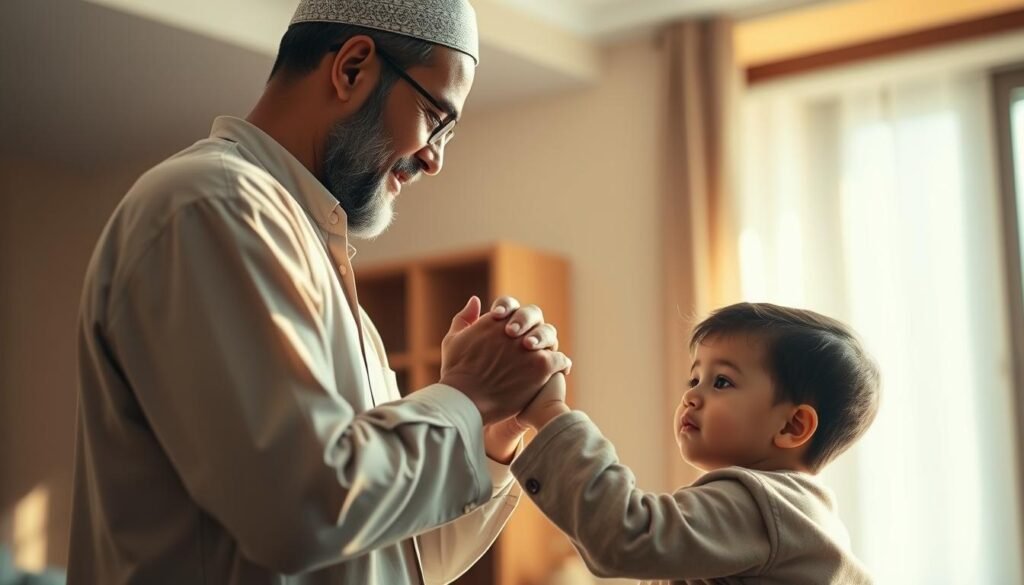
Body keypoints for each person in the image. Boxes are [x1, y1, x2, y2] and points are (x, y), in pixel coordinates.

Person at [67, 1, 571, 583]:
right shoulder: (213, 206)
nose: (434, 160)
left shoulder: (332, 288)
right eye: (436, 118)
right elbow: (302, 511)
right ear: (353, 68)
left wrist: (488, 429)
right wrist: (463, 393)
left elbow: (398, 557)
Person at [512, 302, 881, 584]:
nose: (691, 397)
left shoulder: (759, 505)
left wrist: (551, 415)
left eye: (721, 382)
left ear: (792, 425)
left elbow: (627, 533)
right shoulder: (797, 509)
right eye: (694, 380)